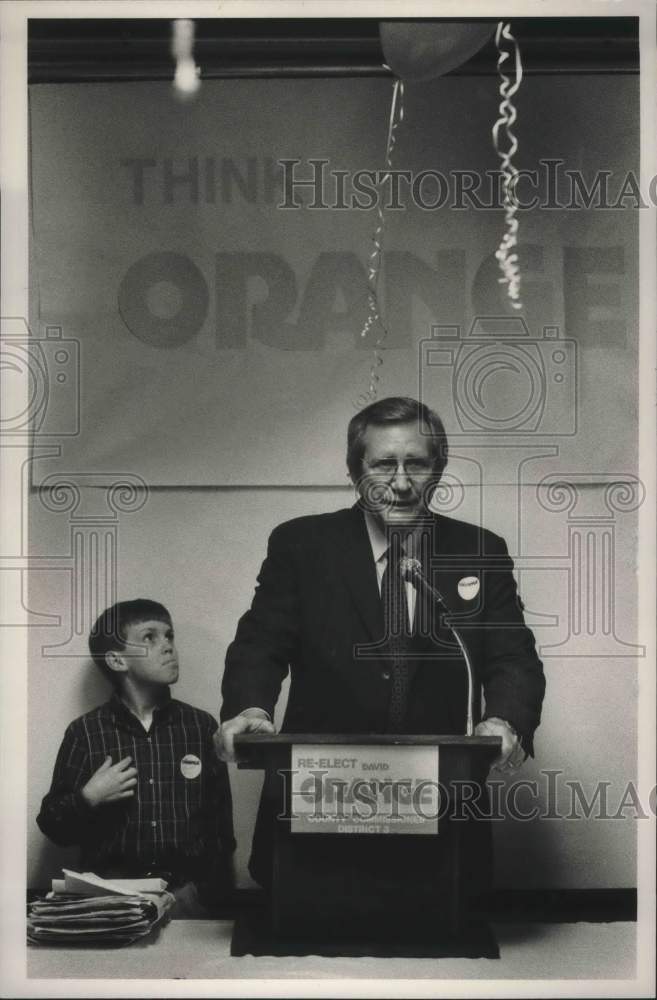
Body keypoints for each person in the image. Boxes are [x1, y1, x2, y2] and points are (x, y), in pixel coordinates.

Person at [217, 396, 546, 887]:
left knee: (443, 957)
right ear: (354, 472)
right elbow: (260, 642)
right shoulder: (302, 545)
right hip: (319, 805)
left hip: (441, 808)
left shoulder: (479, 550)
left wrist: (504, 718)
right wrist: (249, 709)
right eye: (382, 464)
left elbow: (512, 656)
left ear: (437, 471)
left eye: (416, 463)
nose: (400, 482)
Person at [37, 599, 235, 914]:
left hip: (189, 899)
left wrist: (206, 892)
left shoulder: (200, 727)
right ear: (117, 660)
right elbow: (52, 826)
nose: (168, 646)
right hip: (110, 899)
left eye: (169, 636)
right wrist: (88, 797)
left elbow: (222, 827)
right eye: (150, 637)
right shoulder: (86, 733)